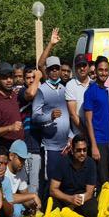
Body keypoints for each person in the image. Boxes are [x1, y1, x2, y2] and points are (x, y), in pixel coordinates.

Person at [33, 56, 71, 198]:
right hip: (51, 147)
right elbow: (35, 117)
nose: (55, 72)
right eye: (51, 69)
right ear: (47, 71)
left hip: (65, 146)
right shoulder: (41, 90)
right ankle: (46, 208)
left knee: (64, 181)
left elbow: (68, 115)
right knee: (50, 182)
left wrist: (70, 136)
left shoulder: (64, 89)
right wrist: (50, 116)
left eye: (57, 69)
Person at [49, 135, 98, 217]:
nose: (82, 153)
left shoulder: (90, 163)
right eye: (78, 150)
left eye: (84, 150)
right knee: (52, 209)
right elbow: (53, 190)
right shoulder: (62, 162)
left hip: (82, 198)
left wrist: (76, 203)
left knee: (92, 211)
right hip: (64, 197)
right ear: (72, 150)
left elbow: (89, 193)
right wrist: (70, 199)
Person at [84, 56, 109, 185]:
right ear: (95, 71)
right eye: (101, 70)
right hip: (100, 142)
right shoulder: (90, 92)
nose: (103, 73)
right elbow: (88, 121)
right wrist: (94, 146)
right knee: (103, 180)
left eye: (106, 70)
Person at [0, 62, 24, 150]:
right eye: (4, 77)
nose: (9, 80)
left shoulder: (15, 95)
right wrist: (10, 128)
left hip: (19, 146)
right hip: (4, 148)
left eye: (11, 77)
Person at [18, 66, 43, 195]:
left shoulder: (42, 91)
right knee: (25, 185)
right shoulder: (22, 92)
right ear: (23, 80)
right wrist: (38, 78)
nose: (32, 80)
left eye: (34, 77)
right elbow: (31, 93)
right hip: (26, 146)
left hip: (39, 145)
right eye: (28, 78)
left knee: (35, 185)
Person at [2, 140, 41, 217]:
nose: (22, 163)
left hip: (11, 204)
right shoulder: (3, 170)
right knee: (17, 210)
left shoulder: (21, 170)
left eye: (24, 160)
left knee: (23, 208)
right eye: (20, 159)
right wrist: (33, 196)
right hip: (2, 206)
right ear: (11, 156)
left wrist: (31, 205)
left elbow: (24, 195)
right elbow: (7, 197)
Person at [66, 54, 91, 135]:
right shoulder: (70, 85)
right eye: (79, 66)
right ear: (75, 68)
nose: (82, 68)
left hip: (95, 133)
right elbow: (73, 114)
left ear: (88, 66)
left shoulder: (94, 84)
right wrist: (86, 133)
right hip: (79, 134)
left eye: (84, 65)